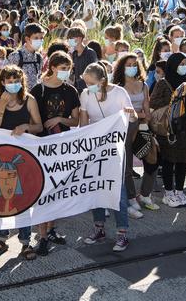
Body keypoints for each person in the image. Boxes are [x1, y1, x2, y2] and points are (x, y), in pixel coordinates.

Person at [80, 62, 137, 252]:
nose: (88, 86)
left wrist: (130, 113)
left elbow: (134, 117)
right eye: (86, 83)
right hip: (96, 149)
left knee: (117, 191)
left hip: (114, 148)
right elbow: (84, 124)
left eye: (91, 83)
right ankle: (99, 228)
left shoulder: (119, 93)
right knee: (96, 188)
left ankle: (122, 233)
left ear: (102, 81)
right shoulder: (86, 95)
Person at [0, 65, 43, 260]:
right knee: (0, 197)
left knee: (23, 198)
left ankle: (25, 242)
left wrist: (26, 126)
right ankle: (0, 239)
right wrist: (2, 107)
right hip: (1, 157)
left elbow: (39, 126)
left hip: (23, 157)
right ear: (2, 83)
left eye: (16, 81)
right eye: (9, 82)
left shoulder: (29, 100)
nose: (13, 85)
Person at [29, 51, 79, 255]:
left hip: (61, 145)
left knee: (56, 189)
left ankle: (51, 229)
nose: (66, 72)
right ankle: (41, 236)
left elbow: (75, 120)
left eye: (68, 69)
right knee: (43, 190)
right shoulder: (38, 90)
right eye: (63, 68)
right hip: (40, 145)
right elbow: (31, 118)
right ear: (52, 68)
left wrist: (60, 120)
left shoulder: (71, 91)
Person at [112, 53, 160, 216]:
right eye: (128, 65)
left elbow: (147, 109)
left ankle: (145, 194)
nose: (132, 67)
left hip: (142, 126)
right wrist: (138, 114)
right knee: (127, 166)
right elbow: (120, 110)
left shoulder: (143, 85)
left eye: (134, 64)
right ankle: (131, 196)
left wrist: (141, 116)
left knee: (153, 158)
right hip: (125, 126)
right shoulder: (117, 86)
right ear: (121, 67)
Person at [151, 53, 186, 208]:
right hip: (166, 127)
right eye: (181, 63)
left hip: (184, 126)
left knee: (182, 161)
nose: (184, 66)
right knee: (168, 161)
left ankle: (179, 191)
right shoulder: (163, 83)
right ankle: (168, 193)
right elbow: (152, 101)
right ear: (173, 65)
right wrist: (174, 100)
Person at [6, 23, 46, 90]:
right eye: (36, 38)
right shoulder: (15, 56)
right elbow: (7, 78)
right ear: (27, 39)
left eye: (41, 38)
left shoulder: (39, 57)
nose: (39, 41)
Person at [68, 26, 98, 93]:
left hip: (88, 89)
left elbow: (95, 71)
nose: (69, 40)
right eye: (69, 38)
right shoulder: (74, 54)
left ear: (79, 38)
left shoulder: (90, 53)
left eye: (71, 38)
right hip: (77, 89)